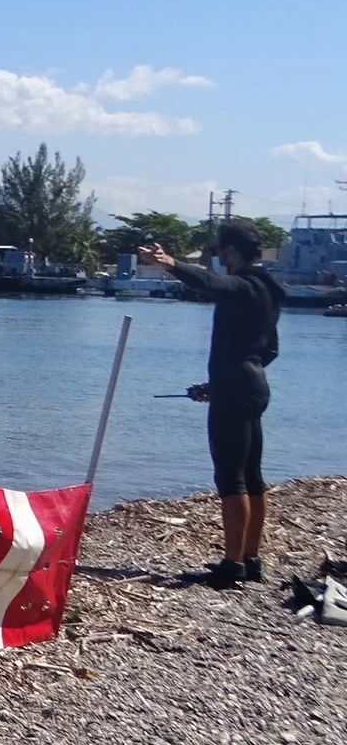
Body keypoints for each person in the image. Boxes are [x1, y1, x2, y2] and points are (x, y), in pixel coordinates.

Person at [138, 220, 287, 589]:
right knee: (252, 475)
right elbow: (270, 350)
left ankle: (232, 565)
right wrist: (218, 385)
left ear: (232, 253)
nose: (220, 260)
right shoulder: (269, 291)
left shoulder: (243, 286)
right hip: (253, 385)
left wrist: (170, 263)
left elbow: (211, 283)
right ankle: (250, 559)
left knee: (230, 477)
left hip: (237, 389)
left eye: (221, 253)